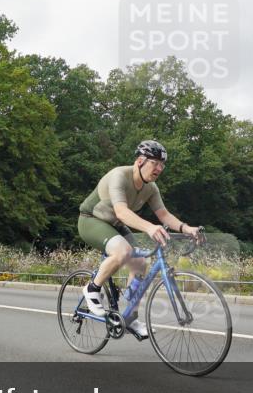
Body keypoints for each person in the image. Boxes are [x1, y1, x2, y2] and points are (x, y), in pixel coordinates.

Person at [77, 140, 201, 338]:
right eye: (155, 163)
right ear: (140, 161)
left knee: (140, 263)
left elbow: (164, 215)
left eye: (162, 165)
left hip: (115, 224)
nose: (159, 169)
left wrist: (186, 228)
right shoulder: (119, 176)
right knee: (123, 251)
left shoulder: (151, 188)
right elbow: (121, 212)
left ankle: (130, 317)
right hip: (91, 220)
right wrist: (150, 227)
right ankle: (92, 289)